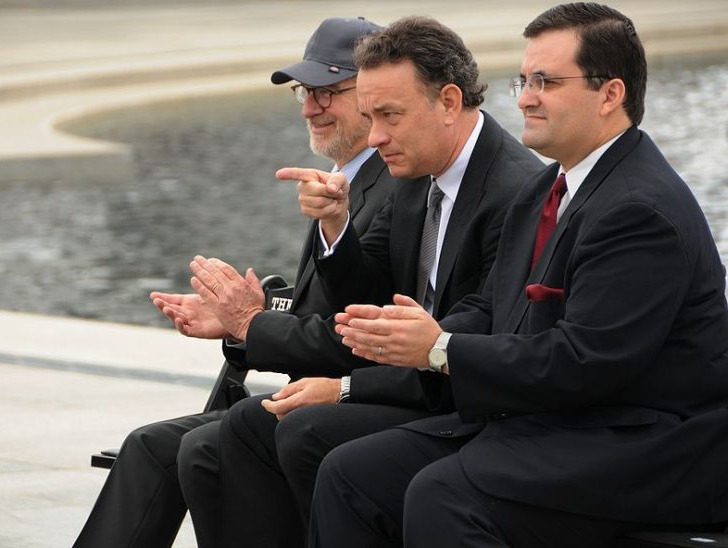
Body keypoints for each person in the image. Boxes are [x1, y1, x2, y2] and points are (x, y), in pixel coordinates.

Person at [311, 3, 728, 547]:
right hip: (563, 418)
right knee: (351, 473)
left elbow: (586, 363)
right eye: (525, 80)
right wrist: (408, 336)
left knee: (443, 494)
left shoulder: (638, 208)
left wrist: (441, 350)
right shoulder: (545, 189)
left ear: (610, 94)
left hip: (648, 443)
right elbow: (496, 307)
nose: (526, 97)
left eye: (547, 82)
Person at [178, 16, 542, 548]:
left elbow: (475, 342)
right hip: (417, 378)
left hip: (467, 402)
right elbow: (365, 299)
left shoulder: (515, 189)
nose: (375, 138)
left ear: (447, 101)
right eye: (370, 116)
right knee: (246, 425)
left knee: (303, 432)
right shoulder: (419, 165)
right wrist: (336, 225)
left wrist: (344, 388)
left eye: (389, 115)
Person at [72, 16, 395, 548]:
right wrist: (241, 315)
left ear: (376, 93)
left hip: (355, 399)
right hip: (318, 389)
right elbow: (330, 301)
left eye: (326, 91)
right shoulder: (348, 179)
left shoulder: (392, 183)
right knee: (150, 444)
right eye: (303, 92)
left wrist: (252, 322)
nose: (310, 107)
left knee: (200, 447)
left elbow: (358, 324)